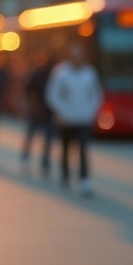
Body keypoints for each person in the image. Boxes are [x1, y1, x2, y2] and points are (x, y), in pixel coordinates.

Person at [46, 41, 103, 196]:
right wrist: (62, 111)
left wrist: (91, 112)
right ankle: (65, 176)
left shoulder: (89, 73)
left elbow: (96, 95)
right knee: (65, 149)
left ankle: (84, 180)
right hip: (66, 120)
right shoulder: (61, 73)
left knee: (83, 149)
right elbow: (53, 95)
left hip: (84, 119)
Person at [21, 48, 57, 177]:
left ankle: (45, 164)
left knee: (47, 140)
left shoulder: (55, 75)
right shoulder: (37, 73)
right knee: (31, 137)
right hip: (37, 111)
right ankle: (25, 158)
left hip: (48, 112)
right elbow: (28, 90)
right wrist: (33, 105)